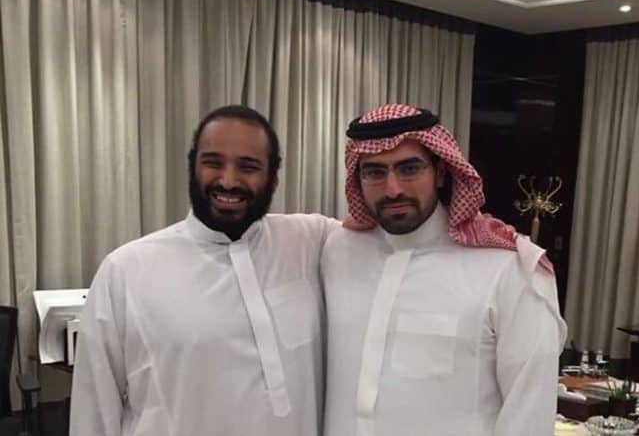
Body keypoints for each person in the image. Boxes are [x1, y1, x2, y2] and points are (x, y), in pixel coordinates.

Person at [70, 105, 333, 436]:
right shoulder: (125, 271)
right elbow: (93, 412)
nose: (228, 180)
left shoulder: (311, 240)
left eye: (248, 167)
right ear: (192, 167)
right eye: (213, 162)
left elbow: (376, 234)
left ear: (273, 179)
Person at [321, 103, 567, 436]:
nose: (393, 189)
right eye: (375, 172)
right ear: (357, 178)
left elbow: (529, 415)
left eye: (409, 169)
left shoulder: (508, 269)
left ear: (439, 171)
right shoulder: (336, 251)